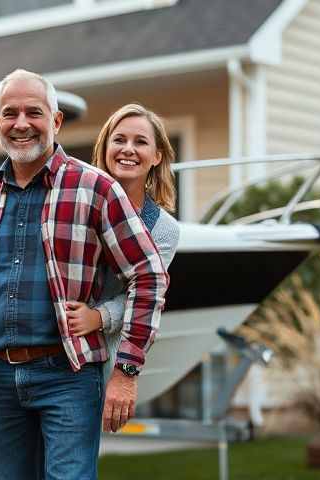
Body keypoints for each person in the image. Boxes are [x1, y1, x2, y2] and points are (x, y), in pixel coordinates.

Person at [0, 70, 169, 479]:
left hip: (68, 378)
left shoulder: (95, 188)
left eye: (34, 112)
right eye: (9, 114)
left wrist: (126, 371)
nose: (22, 123)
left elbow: (149, 275)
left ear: (56, 121)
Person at [66, 103, 180, 434]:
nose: (128, 149)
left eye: (141, 142)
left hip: (101, 351)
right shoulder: (75, 203)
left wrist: (98, 317)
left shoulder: (164, 229)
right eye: (119, 139)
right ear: (104, 149)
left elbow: (145, 292)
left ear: (157, 155)